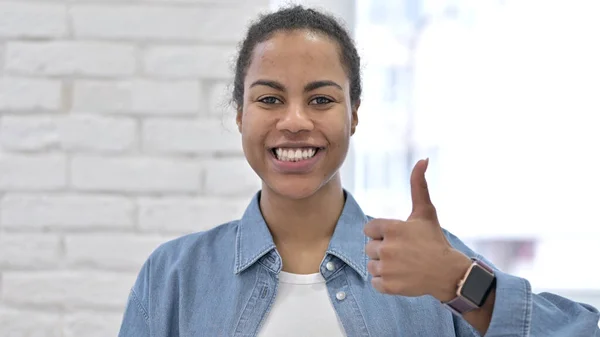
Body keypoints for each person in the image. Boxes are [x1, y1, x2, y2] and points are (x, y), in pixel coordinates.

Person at [118, 5, 600, 337]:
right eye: (269, 99)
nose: (294, 121)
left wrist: (462, 281)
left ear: (354, 113)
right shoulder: (175, 276)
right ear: (240, 114)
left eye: (321, 99)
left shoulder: (430, 266)